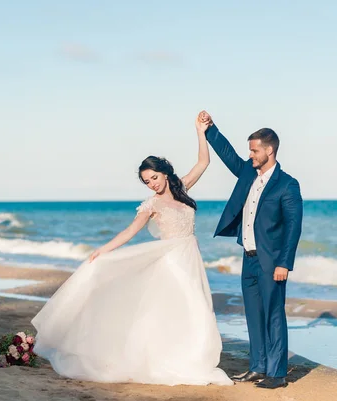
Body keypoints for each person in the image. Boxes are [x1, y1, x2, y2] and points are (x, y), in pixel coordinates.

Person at [30, 116, 233, 386]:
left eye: (154, 177)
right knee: (189, 305)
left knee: (192, 308)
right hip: (171, 261)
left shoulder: (182, 187)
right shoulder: (151, 204)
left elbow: (204, 162)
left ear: (165, 172)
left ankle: (188, 358)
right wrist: (103, 250)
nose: (152, 184)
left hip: (190, 257)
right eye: (147, 181)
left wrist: (200, 131)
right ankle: (178, 360)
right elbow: (129, 232)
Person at [199, 110, 303, 389]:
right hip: (249, 258)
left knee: (273, 315)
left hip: (272, 262)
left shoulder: (288, 185)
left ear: (269, 150)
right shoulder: (248, 172)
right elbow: (229, 155)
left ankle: (277, 373)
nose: (251, 155)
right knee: (254, 315)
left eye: (255, 150)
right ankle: (257, 367)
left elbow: (293, 227)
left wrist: (285, 263)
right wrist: (210, 129)